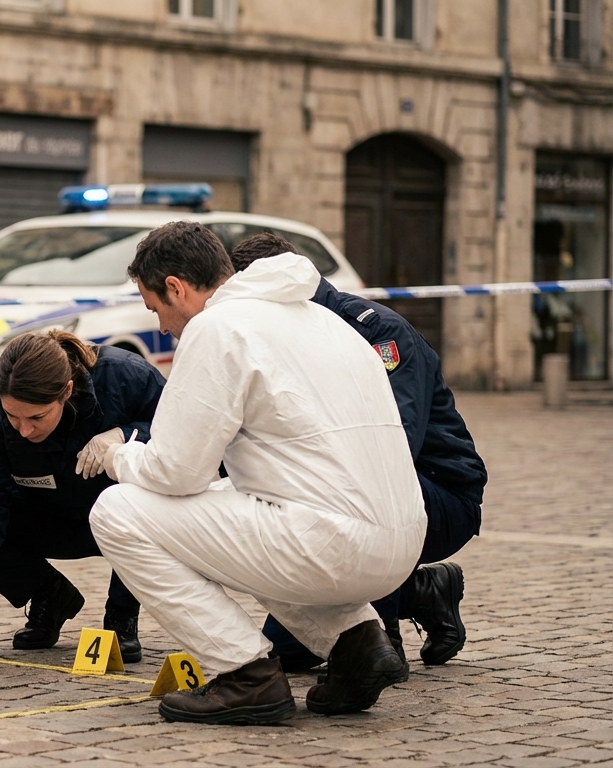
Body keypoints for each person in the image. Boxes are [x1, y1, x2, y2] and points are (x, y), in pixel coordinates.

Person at [87, 221, 426, 725]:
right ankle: (357, 644)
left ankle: (246, 675)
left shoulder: (217, 328)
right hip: (400, 542)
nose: (160, 326)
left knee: (116, 511)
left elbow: (177, 471)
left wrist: (115, 455)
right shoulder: (323, 320)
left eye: (155, 307)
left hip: (332, 545)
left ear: (176, 287)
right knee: (239, 504)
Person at [229, 232, 486, 672]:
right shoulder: (284, 334)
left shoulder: (376, 331)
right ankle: (423, 592)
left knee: (357, 650)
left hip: (437, 493)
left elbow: (393, 448)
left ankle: (382, 636)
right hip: (350, 492)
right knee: (287, 654)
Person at [0, 330, 166, 661]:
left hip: (120, 519)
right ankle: (49, 594)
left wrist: (127, 435)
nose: (24, 429)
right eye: (12, 416)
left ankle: (121, 616)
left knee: (143, 501)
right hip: (46, 516)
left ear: (67, 392)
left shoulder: (126, 375)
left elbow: (184, 433)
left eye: (36, 417)